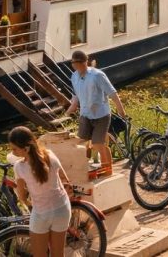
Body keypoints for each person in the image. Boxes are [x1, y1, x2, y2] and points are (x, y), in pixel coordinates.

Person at [8, 126, 71, 257]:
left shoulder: (19, 167)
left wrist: (29, 202)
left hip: (42, 213)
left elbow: (22, 196)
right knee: (58, 254)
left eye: (14, 149)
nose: (12, 153)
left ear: (25, 148)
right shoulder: (50, 154)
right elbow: (66, 180)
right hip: (62, 208)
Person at [65, 50, 127, 176]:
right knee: (81, 143)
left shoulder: (97, 75)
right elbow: (76, 97)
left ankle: (107, 171)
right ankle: (83, 169)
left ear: (85, 62)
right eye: (75, 64)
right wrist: (68, 112)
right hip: (85, 114)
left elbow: (112, 93)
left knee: (98, 144)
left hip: (101, 115)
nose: (77, 66)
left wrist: (121, 110)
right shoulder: (74, 76)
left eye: (80, 63)